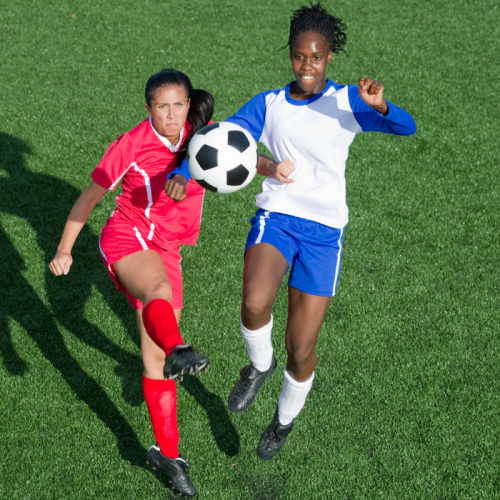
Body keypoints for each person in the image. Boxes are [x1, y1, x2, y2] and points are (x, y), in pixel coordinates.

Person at [174, 2, 416, 460]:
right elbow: (222, 143)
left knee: (302, 348)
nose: (308, 66)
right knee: (254, 301)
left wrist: (380, 104)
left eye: (317, 57)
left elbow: (406, 127)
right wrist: (188, 173)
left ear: (330, 58)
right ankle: (258, 366)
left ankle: (283, 422)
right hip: (278, 216)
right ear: (290, 54)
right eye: (300, 56)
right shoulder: (270, 103)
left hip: (325, 232)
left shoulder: (347, 102)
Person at [49, 69, 214, 497]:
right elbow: (90, 196)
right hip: (128, 235)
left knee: (154, 362)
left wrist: (275, 169)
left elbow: (242, 157)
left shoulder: (202, 134)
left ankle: (168, 455)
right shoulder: (133, 143)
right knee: (159, 299)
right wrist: (65, 250)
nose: (172, 115)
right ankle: (181, 349)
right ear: (148, 108)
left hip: (167, 247)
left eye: (179, 105)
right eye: (162, 107)